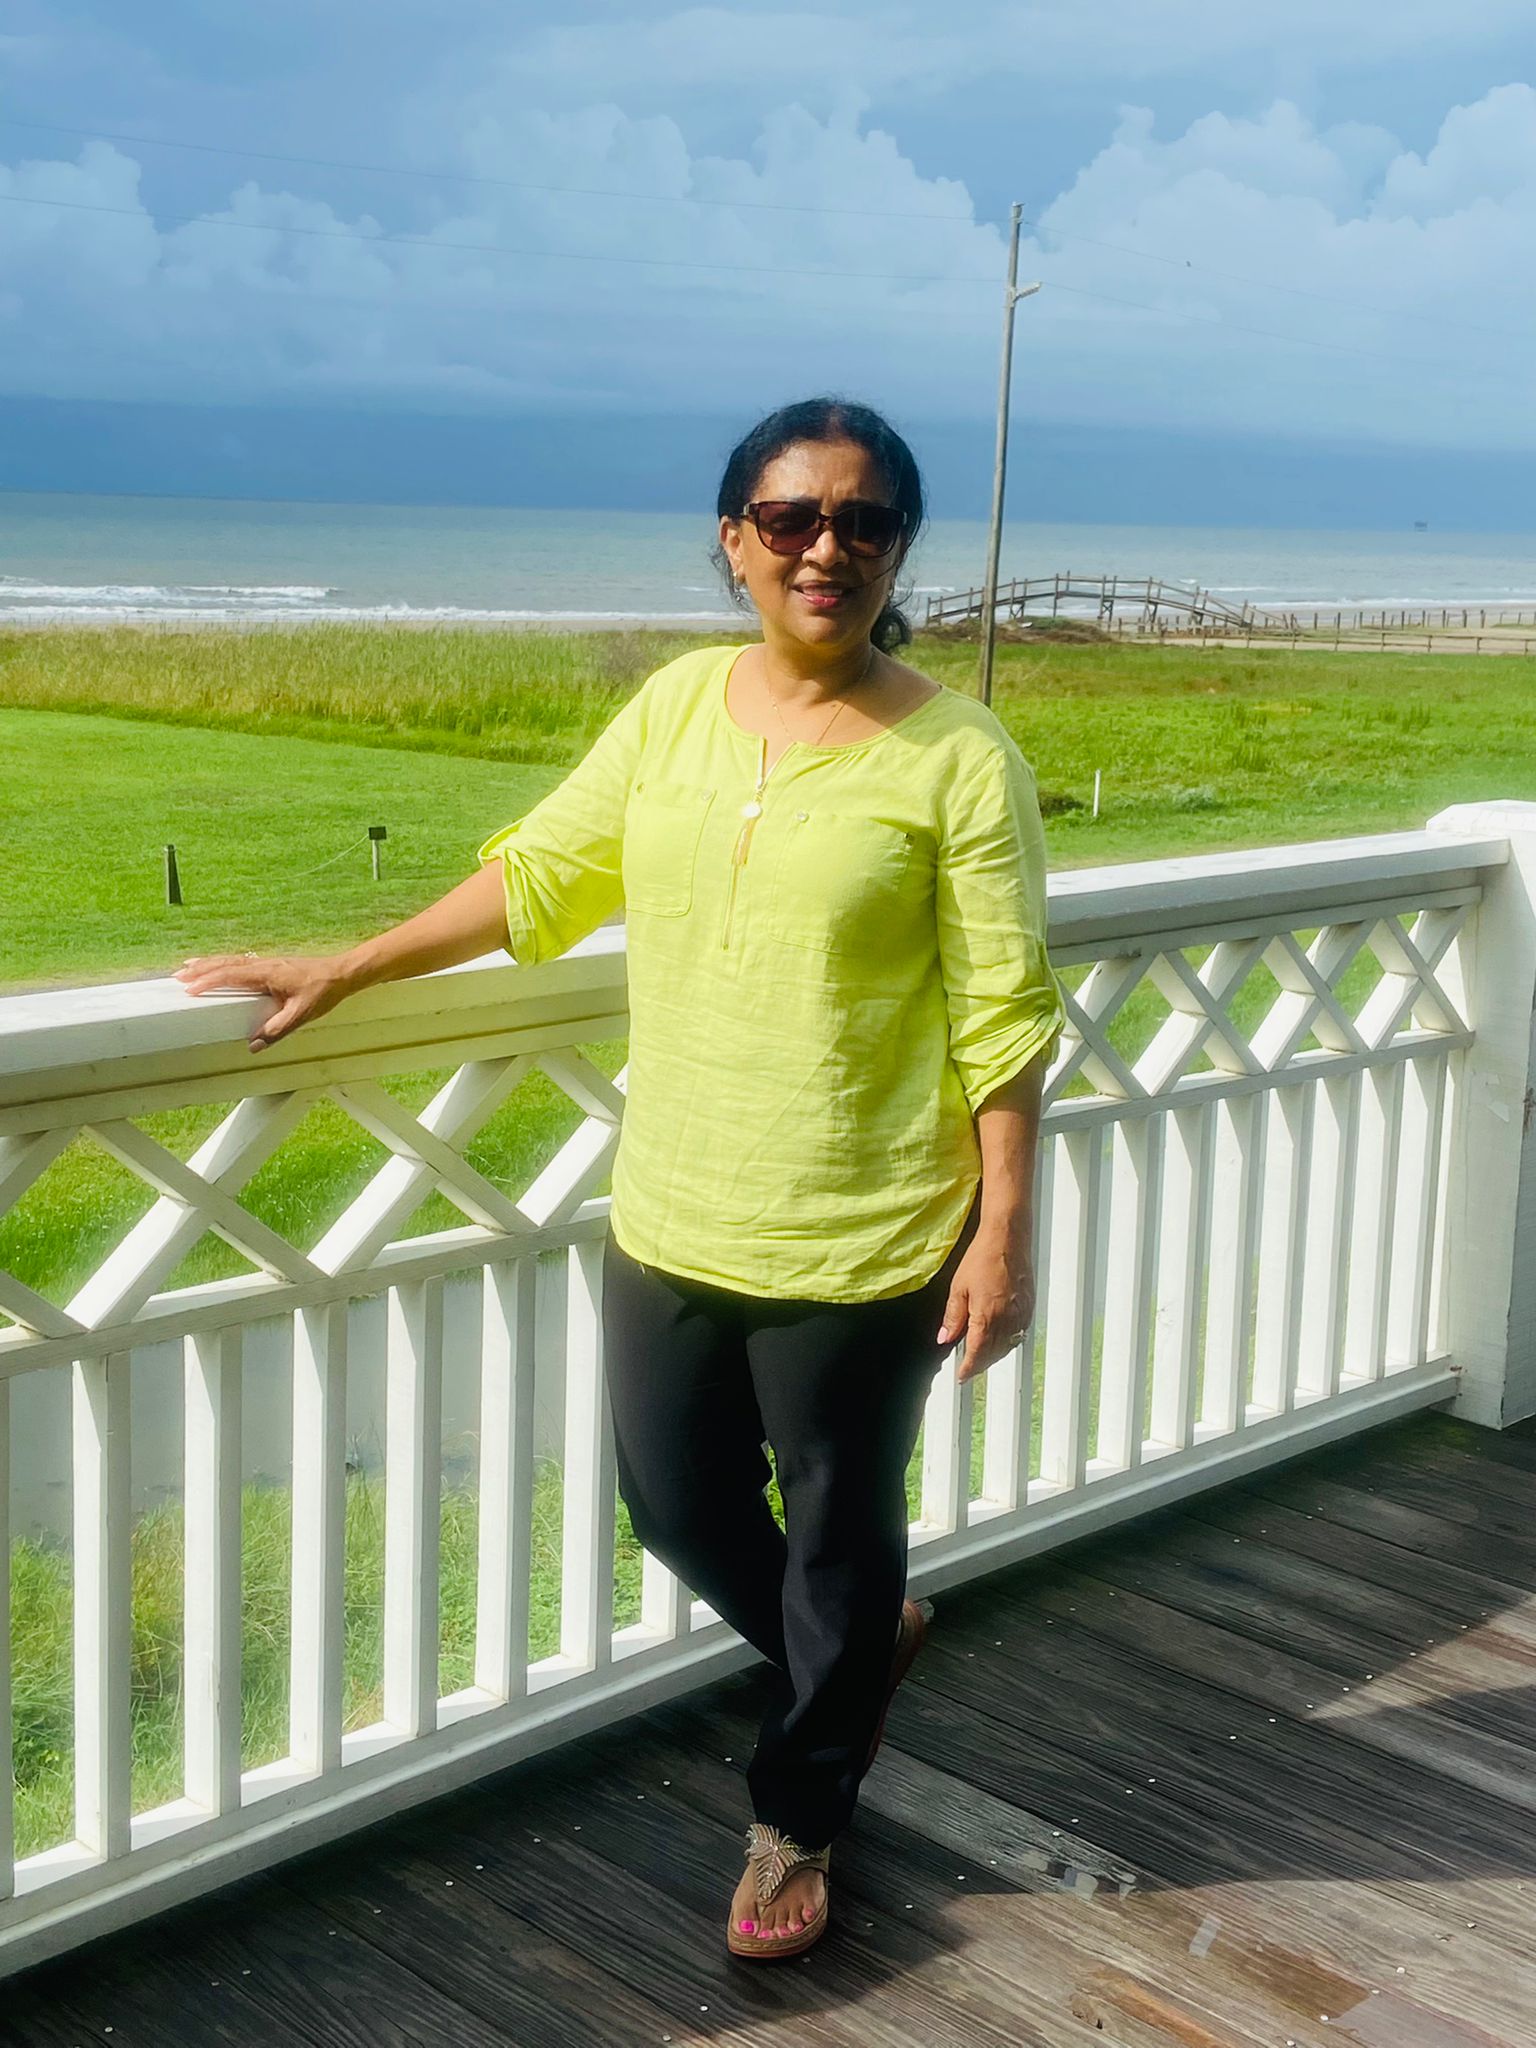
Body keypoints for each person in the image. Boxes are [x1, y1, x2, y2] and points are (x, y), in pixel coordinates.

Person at [174, 394, 1063, 1964]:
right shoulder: (671, 711)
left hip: (866, 1228)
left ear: (897, 548)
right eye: (790, 518)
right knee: (675, 1502)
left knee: (838, 1536)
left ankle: (797, 1816)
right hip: (676, 1204)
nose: (826, 548)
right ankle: (861, 1652)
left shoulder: (959, 758)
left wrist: (1005, 1228)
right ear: (735, 542)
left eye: (862, 522)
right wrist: (353, 964)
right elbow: (542, 875)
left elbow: (1004, 1013)